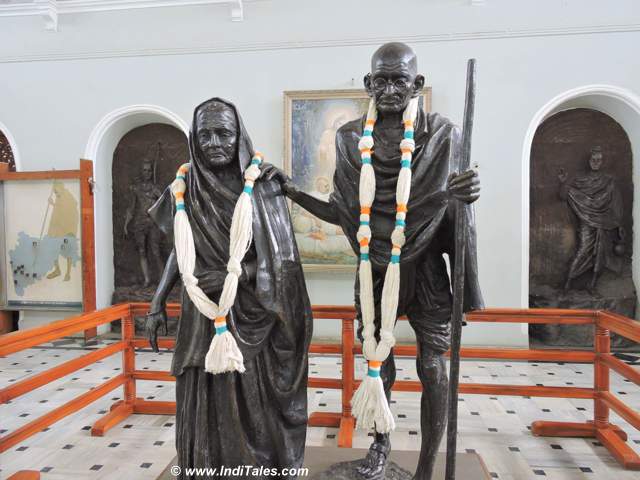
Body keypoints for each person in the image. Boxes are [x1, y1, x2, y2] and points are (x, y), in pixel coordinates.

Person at [272, 43, 483, 480]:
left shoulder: (444, 134)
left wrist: (463, 195)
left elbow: (451, 207)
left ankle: (426, 465)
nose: (389, 89)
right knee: (376, 361)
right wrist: (292, 192)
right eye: (381, 80)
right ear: (369, 84)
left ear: (416, 85)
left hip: (425, 267)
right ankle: (379, 449)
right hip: (374, 267)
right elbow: (343, 211)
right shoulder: (351, 137)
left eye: (399, 80)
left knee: (432, 365)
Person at [145, 98, 313, 479]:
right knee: (203, 393)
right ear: (193, 138)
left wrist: (238, 274)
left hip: (252, 313)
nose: (214, 142)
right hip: (200, 312)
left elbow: (283, 258)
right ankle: (205, 467)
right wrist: (157, 302)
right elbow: (179, 247)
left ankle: (256, 469)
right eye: (204, 134)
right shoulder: (184, 187)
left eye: (223, 133)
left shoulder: (262, 185)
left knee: (249, 398)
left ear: (239, 136)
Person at [558, 146, 624, 292]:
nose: (595, 162)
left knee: (601, 255)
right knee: (582, 251)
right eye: (593, 159)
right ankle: (567, 285)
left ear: (602, 162)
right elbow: (563, 196)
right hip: (586, 222)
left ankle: (592, 286)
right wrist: (564, 182)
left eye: (598, 160)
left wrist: (619, 226)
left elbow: (617, 205)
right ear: (589, 160)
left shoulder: (608, 181)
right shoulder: (580, 179)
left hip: (604, 223)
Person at [123, 156, 164, 286]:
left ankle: (163, 278)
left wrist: (158, 195)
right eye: (144, 170)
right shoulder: (136, 189)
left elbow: (165, 203)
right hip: (139, 224)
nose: (146, 173)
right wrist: (126, 224)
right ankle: (147, 279)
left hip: (153, 223)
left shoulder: (155, 188)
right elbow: (131, 207)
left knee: (155, 251)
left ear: (152, 172)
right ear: (142, 172)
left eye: (149, 170)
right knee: (142, 252)